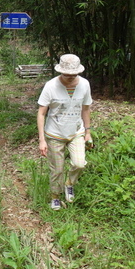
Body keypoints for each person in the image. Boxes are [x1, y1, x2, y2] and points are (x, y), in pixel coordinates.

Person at [37, 54, 93, 210]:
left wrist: (87, 132)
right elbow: (41, 113)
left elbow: (86, 108)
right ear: (60, 71)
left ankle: (70, 184)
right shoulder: (50, 86)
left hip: (76, 131)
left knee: (79, 163)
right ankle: (55, 196)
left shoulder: (84, 84)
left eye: (73, 74)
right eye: (67, 74)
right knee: (57, 169)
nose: (70, 77)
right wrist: (42, 140)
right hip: (54, 133)